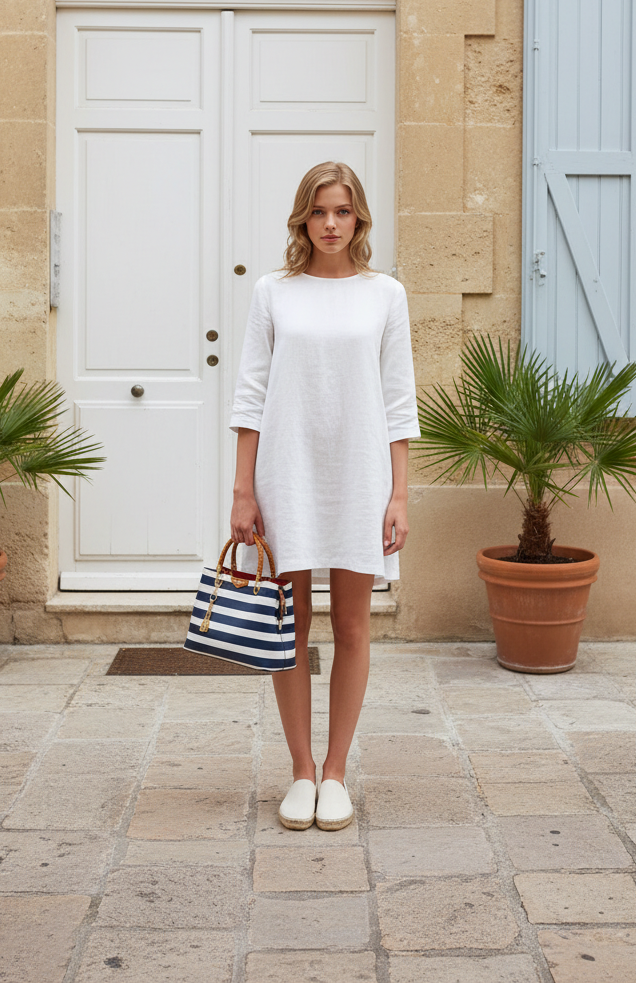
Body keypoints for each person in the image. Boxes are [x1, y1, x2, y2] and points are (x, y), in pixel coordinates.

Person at [229, 161, 420, 831]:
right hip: (288, 473)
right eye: (319, 213)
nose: (331, 225)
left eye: (343, 212)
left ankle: (336, 772)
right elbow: (250, 397)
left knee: (352, 626)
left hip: (360, 477)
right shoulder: (273, 293)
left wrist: (400, 494)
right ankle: (300, 771)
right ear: (302, 220)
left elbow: (399, 404)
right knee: (290, 628)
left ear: (359, 218)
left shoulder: (386, 295)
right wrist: (242, 491)